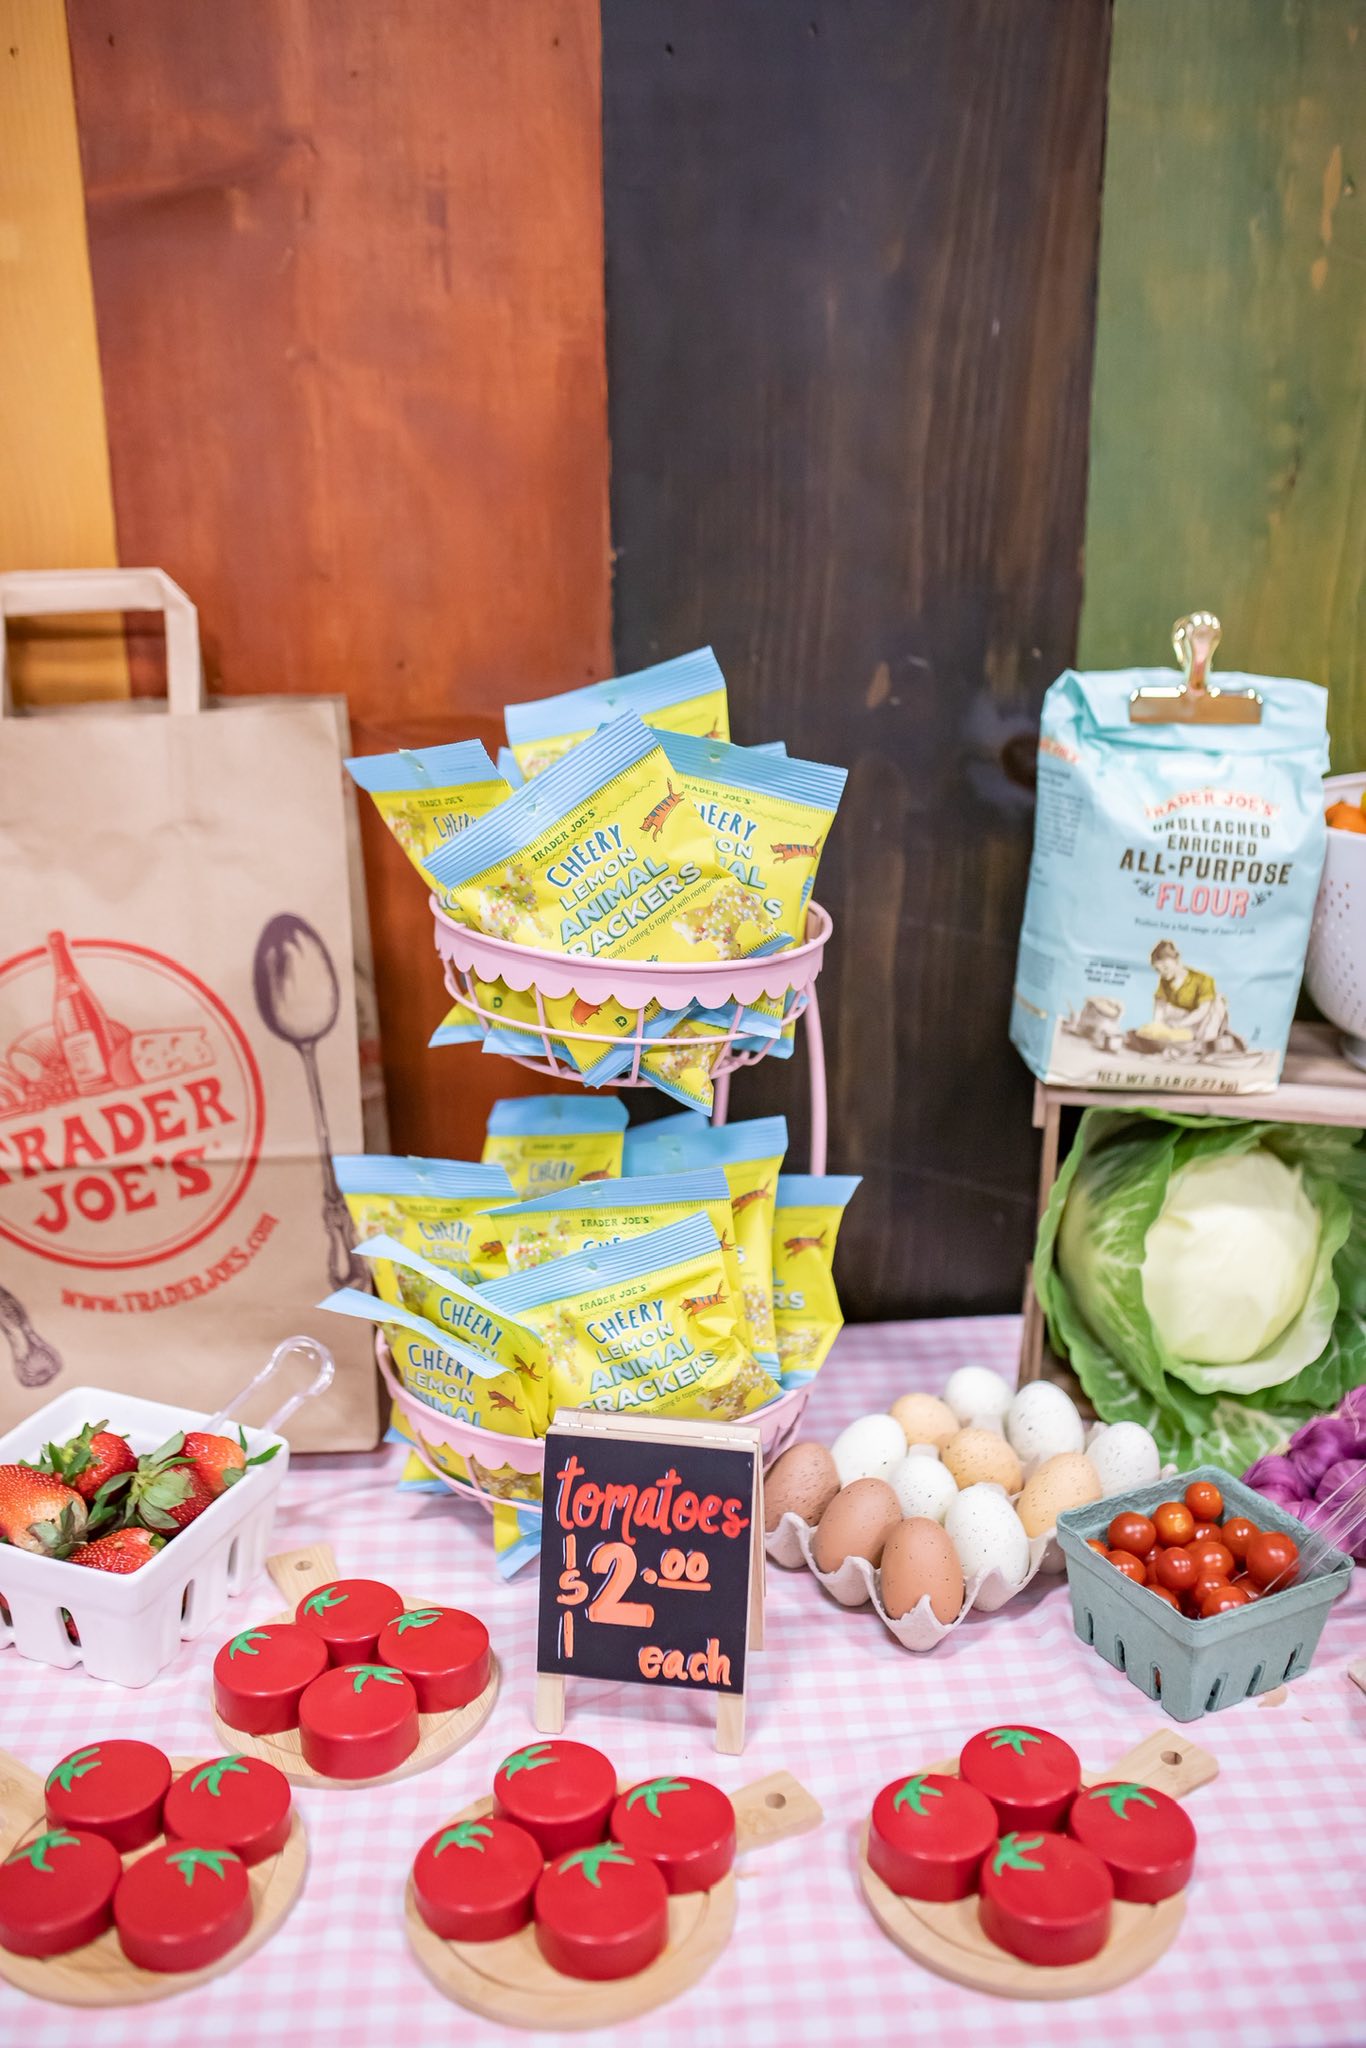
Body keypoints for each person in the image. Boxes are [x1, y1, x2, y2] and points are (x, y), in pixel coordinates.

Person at [1149, 940, 1232, 1051]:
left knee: (1217, 1002)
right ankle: (1181, 1043)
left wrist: (1180, 1024)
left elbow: (1203, 1011)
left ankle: (1206, 1045)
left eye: (1165, 967)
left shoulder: (1203, 979)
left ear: (1177, 960)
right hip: (1185, 1024)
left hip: (1205, 1021)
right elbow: (1160, 1005)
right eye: (1158, 970)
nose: (1162, 973)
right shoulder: (1165, 980)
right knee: (1167, 1010)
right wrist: (1157, 1026)